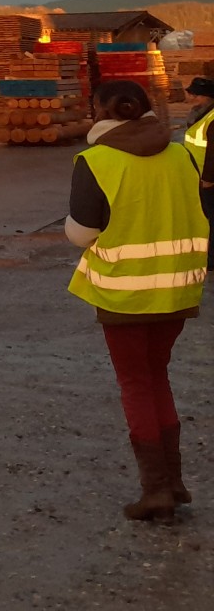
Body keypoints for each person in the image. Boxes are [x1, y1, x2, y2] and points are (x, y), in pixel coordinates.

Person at [66, 79, 209, 521]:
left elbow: (82, 233)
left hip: (124, 294)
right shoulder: (181, 155)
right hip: (177, 289)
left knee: (136, 384)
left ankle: (156, 490)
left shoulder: (96, 161)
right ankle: (173, 482)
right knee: (156, 377)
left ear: (99, 111)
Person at [182, 76, 214, 270]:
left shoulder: (211, 118)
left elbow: (212, 152)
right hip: (198, 176)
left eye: (194, 94)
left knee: (211, 218)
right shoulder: (201, 113)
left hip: (208, 179)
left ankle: (212, 259)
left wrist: (208, 179)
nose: (190, 98)